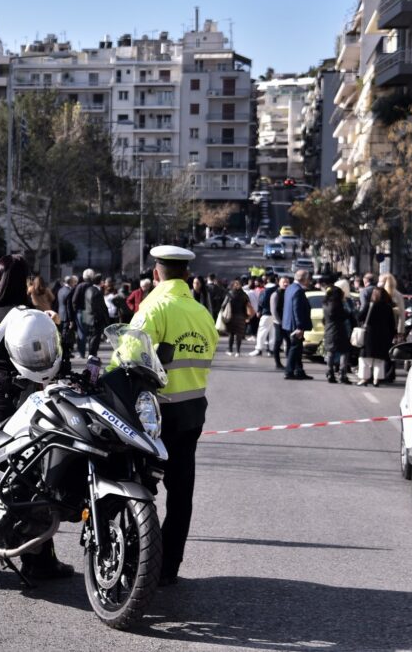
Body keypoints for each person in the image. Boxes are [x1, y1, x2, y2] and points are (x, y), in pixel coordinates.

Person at [111, 245, 217, 587]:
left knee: (135, 487)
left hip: (154, 415)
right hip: (192, 412)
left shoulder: (154, 307)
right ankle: (169, 567)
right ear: (187, 274)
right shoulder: (201, 312)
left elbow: (127, 356)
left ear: (157, 273)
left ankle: (135, 561)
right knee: (181, 492)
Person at [0, 255, 71, 579]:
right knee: (30, 480)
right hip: (16, 402)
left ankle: (29, 551)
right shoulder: (20, 316)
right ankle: (37, 560)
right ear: (20, 282)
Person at [355, 287, 396, 387]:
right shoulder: (388, 308)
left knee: (364, 359)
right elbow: (392, 324)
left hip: (369, 335)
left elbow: (359, 317)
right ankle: (376, 380)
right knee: (379, 360)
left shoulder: (370, 305)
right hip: (383, 336)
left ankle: (364, 379)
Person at [282, 269, 314, 381]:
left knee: (298, 349)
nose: (309, 281)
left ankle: (299, 371)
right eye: (308, 279)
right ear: (304, 279)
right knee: (294, 348)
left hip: (288, 323)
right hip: (295, 325)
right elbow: (297, 310)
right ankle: (289, 371)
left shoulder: (290, 288)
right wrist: (299, 327)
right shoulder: (298, 291)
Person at [321, 285, 352, 384]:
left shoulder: (325, 304)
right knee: (344, 351)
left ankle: (330, 372)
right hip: (339, 330)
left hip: (328, 330)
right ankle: (342, 374)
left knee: (330, 352)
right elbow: (345, 315)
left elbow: (324, 319)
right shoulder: (337, 304)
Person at [220, 280, 251, 357]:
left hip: (231, 316)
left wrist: (223, 312)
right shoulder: (244, 295)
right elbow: (248, 305)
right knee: (239, 335)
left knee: (231, 334)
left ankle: (230, 350)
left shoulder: (230, 294)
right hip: (241, 317)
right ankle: (238, 351)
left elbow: (223, 305)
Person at [249, 275, 277, 357]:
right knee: (273, 333)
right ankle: (271, 350)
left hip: (266, 313)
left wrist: (259, 310)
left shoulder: (265, 290)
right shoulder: (277, 290)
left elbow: (261, 302)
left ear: (268, 281)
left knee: (262, 331)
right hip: (276, 314)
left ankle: (259, 349)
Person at [270, 276, 290, 369]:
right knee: (278, 342)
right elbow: (273, 311)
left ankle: (289, 362)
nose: (285, 284)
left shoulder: (288, 293)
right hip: (279, 322)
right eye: (283, 282)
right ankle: (277, 363)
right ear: (279, 283)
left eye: (287, 282)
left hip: (287, 322)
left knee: (289, 341)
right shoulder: (276, 294)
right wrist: (280, 322)